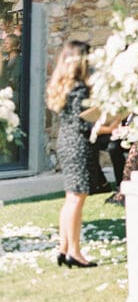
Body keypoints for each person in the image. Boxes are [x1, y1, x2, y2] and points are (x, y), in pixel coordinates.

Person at [45, 40, 98, 268]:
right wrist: (105, 122)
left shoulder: (65, 85)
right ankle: (74, 252)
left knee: (70, 198)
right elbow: (82, 122)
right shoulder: (80, 87)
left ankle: (63, 247)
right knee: (77, 198)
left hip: (65, 142)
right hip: (78, 143)